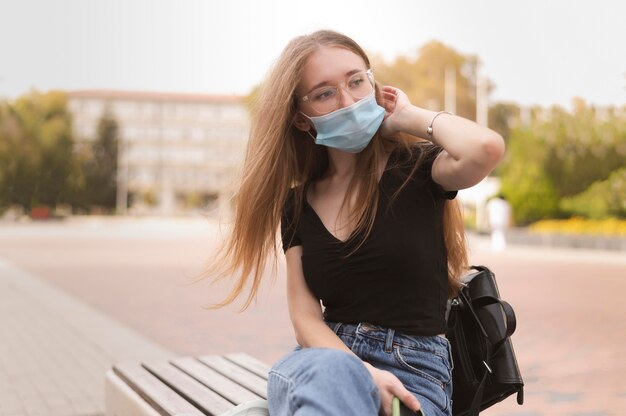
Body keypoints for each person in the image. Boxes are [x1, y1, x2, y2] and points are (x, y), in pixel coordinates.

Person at [205, 30, 505, 416]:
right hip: (325, 361)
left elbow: (485, 149)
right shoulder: (297, 204)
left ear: (373, 82)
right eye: (325, 93)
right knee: (333, 380)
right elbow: (305, 319)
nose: (347, 100)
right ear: (300, 117)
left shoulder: (419, 169)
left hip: (414, 372)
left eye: (356, 81)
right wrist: (362, 372)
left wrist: (408, 118)